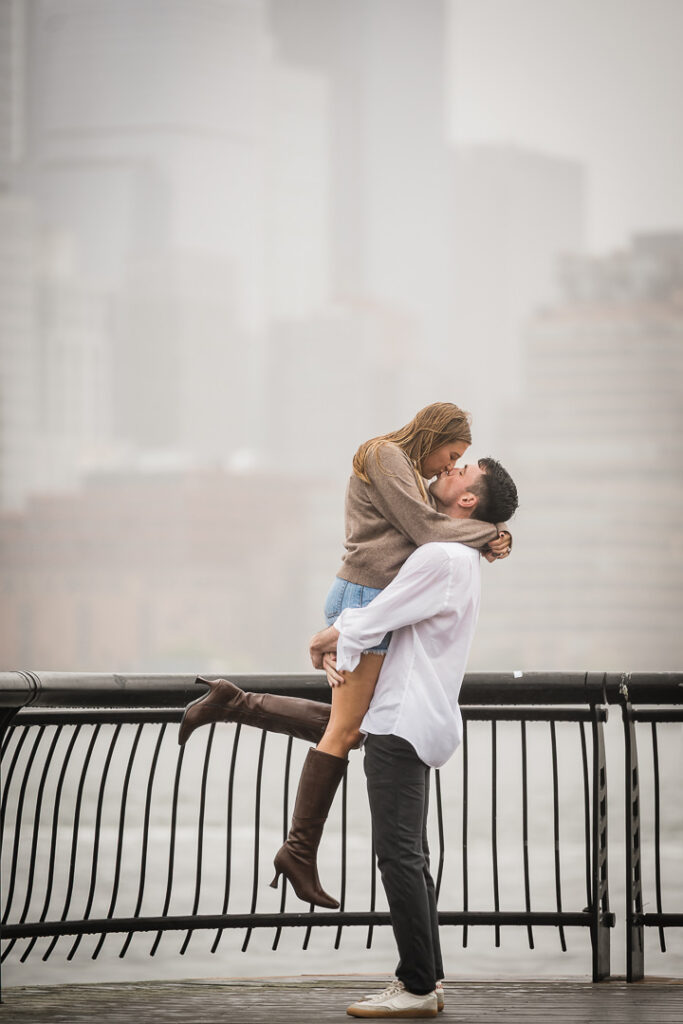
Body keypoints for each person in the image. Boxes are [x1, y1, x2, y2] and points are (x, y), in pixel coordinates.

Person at [178, 403, 512, 910]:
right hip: (364, 599)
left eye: (459, 462)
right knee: (345, 731)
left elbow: (428, 528)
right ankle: (297, 852)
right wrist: (488, 533)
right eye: (453, 453)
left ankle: (234, 704)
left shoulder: (408, 471)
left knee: (351, 726)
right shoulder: (386, 456)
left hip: (369, 599)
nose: (450, 465)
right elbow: (425, 530)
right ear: (436, 434)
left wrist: (484, 535)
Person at [309, 456, 519, 1019]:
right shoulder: (463, 555)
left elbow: (378, 614)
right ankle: (428, 978)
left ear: (467, 500)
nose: (449, 469)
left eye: (460, 470)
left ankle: (417, 986)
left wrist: (326, 638)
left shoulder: (440, 556)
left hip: (400, 717)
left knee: (397, 855)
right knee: (412, 855)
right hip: (417, 715)